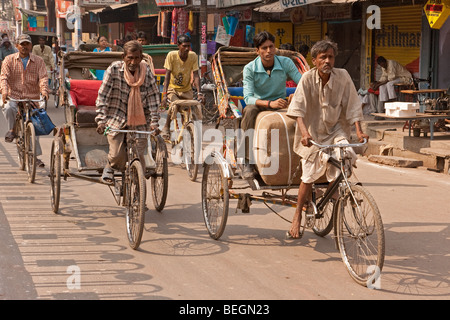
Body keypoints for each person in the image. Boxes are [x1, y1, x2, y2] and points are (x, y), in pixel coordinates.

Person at [286, 39, 369, 239]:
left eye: (330, 57)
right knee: (308, 174)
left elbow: (353, 106)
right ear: (314, 60)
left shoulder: (343, 76)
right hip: (312, 132)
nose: (327, 61)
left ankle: (333, 192)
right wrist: (305, 133)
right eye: (323, 57)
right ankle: (297, 214)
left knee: (346, 156)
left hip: (336, 130)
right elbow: (297, 109)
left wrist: (359, 132)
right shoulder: (306, 79)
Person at [95, 40, 160, 183]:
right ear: (124, 57)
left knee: (138, 155)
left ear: (141, 57)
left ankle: (138, 197)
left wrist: (154, 123)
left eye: (137, 58)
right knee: (117, 155)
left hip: (141, 121)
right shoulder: (113, 70)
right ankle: (110, 165)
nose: (133, 61)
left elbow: (154, 99)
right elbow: (103, 96)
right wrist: (101, 120)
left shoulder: (146, 72)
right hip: (115, 118)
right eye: (130, 57)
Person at [241, 31, 302, 179]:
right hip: (259, 104)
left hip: (281, 103)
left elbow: (302, 82)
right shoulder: (250, 68)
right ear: (257, 51)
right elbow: (248, 97)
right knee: (248, 111)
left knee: (304, 111)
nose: (268, 51)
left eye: (271, 47)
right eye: (264, 48)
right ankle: (247, 160)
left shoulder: (285, 62)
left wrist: (297, 93)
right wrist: (269, 103)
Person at [1, 34, 48, 167]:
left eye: (27, 44)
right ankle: (12, 129)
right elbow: (4, 77)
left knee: (35, 124)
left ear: (31, 46)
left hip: (32, 97)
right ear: (17, 46)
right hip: (14, 95)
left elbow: (43, 77)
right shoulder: (8, 60)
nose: (24, 47)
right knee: (9, 107)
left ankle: (35, 156)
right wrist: (4, 91)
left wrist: (44, 90)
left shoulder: (39, 61)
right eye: (22, 44)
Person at [160, 34, 202, 139]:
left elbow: (196, 75)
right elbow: (167, 75)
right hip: (173, 89)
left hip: (186, 90)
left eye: (188, 46)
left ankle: (187, 131)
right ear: (178, 45)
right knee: (174, 106)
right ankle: (166, 126)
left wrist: (199, 93)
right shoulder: (171, 55)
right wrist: (164, 95)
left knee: (191, 109)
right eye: (184, 46)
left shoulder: (193, 56)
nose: (187, 48)